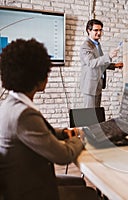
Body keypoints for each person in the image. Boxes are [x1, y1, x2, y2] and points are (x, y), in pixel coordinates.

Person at [0, 39, 98, 200]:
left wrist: (66, 132)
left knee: (79, 184)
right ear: (38, 76)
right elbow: (63, 155)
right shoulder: (23, 115)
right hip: (28, 191)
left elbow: (39, 133)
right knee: (90, 194)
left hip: (22, 180)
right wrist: (80, 138)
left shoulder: (11, 104)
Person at [80, 19, 122, 108]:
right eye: (96, 30)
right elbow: (91, 63)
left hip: (98, 85)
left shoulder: (97, 44)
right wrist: (109, 56)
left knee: (97, 114)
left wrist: (115, 65)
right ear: (89, 30)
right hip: (90, 87)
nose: (99, 33)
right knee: (90, 116)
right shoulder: (86, 46)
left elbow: (100, 63)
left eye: (100, 30)